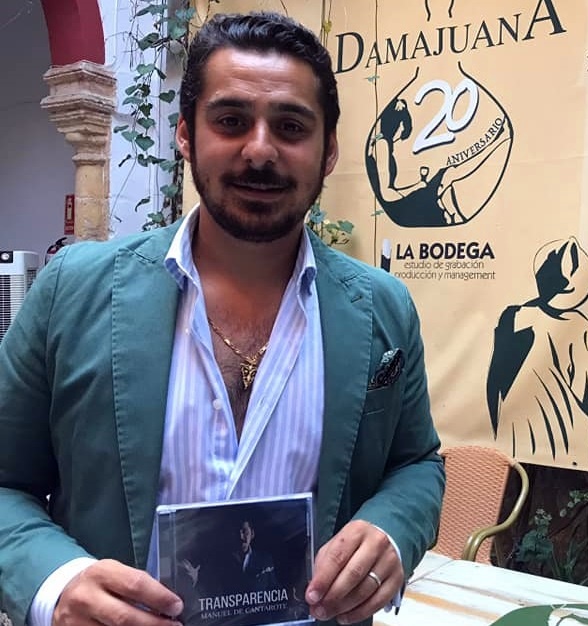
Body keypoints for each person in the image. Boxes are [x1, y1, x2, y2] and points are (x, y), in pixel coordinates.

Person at [0, 11, 444, 626]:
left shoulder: (383, 308)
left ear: (329, 151)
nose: (260, 150)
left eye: (291, 126)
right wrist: (56, 582)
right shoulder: (71, 292)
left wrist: (391, 531)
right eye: (231, 121)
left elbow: (416, 464)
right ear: (186, 134)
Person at [486, 237, 588, 470]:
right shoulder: (583, 331)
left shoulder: (512, 316)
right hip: (564, 452)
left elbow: (494, 384)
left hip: (511, 446)